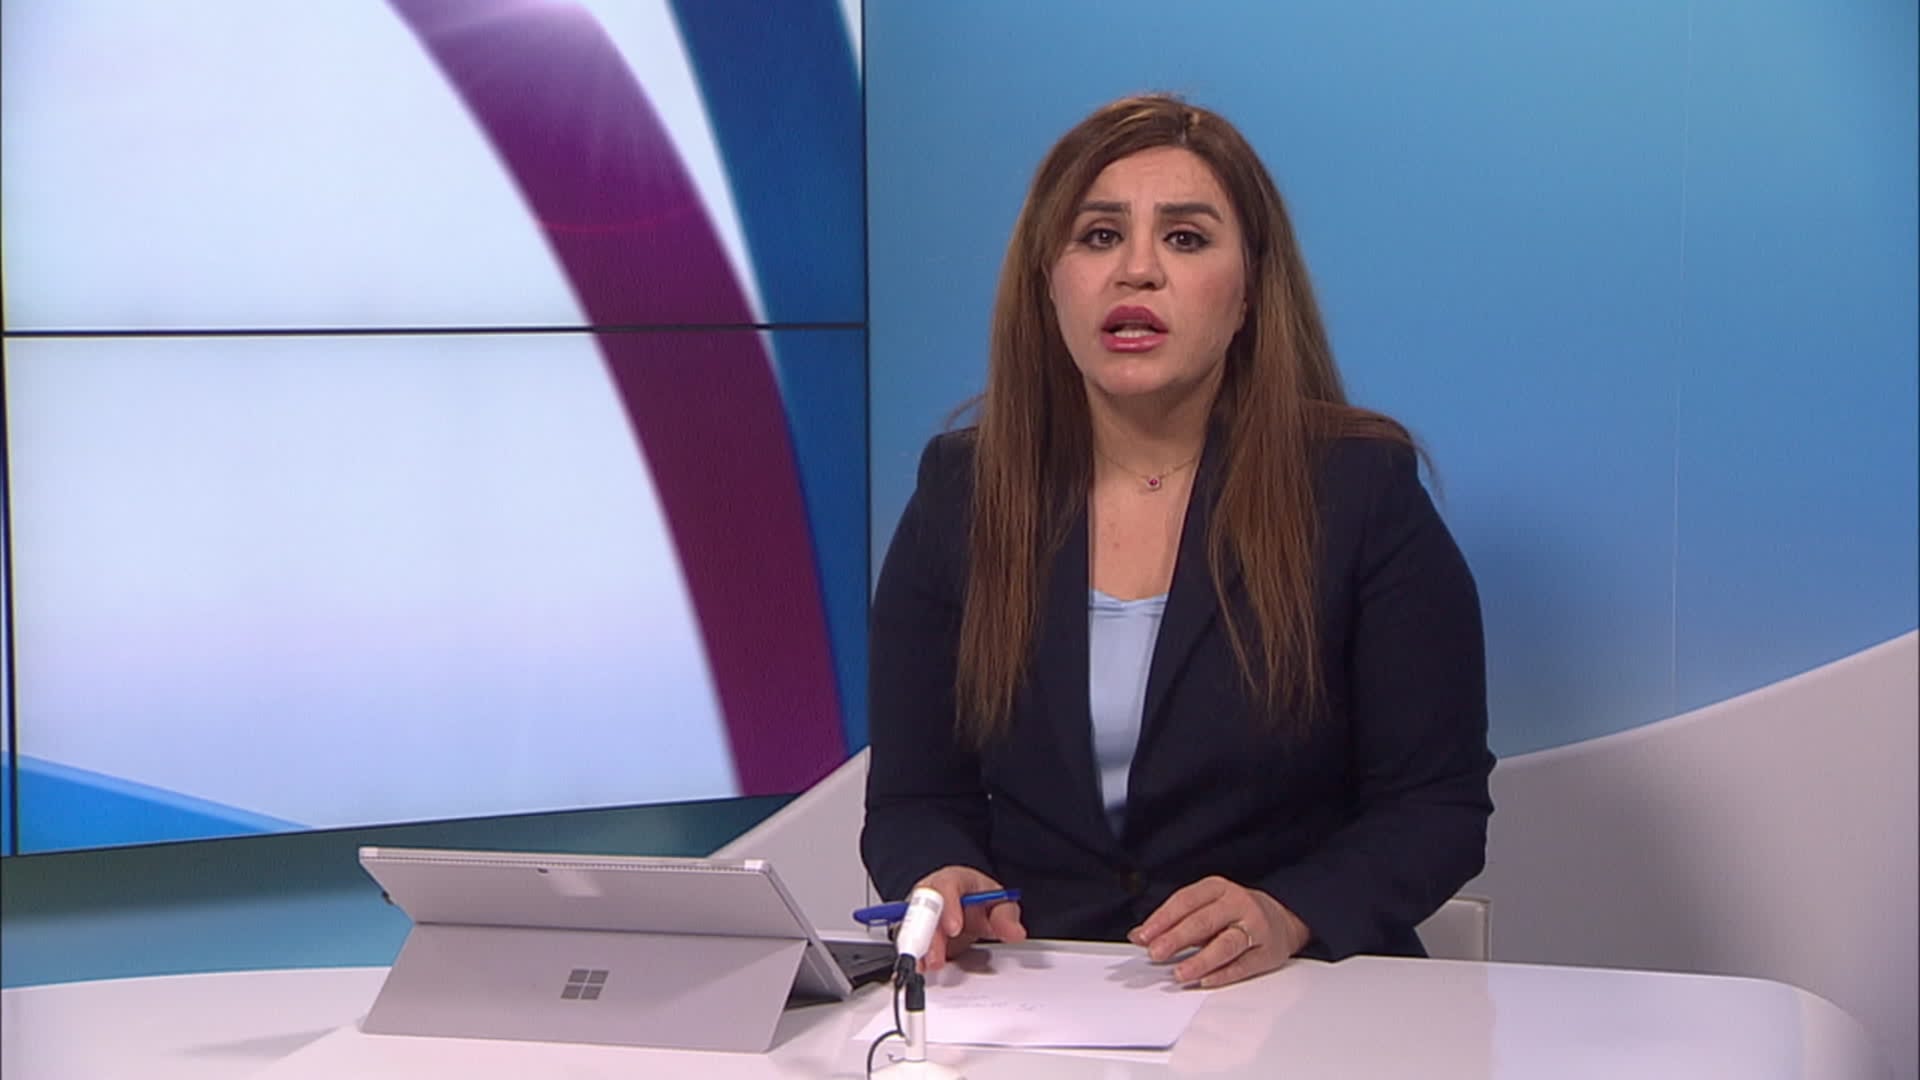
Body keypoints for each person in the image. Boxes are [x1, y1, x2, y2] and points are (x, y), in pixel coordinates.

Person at [861, 93, 1493, 990]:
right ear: (1049, 283)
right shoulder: (961, 494)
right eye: (1099, 236)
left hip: (1290, 999)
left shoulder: (1359, 491)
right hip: (1042, 998)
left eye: (1186, 238)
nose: (1137, 271)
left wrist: (1289, 911)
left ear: (1249, 292)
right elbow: (915, 798)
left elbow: (1435, 809)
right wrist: (943, 875)